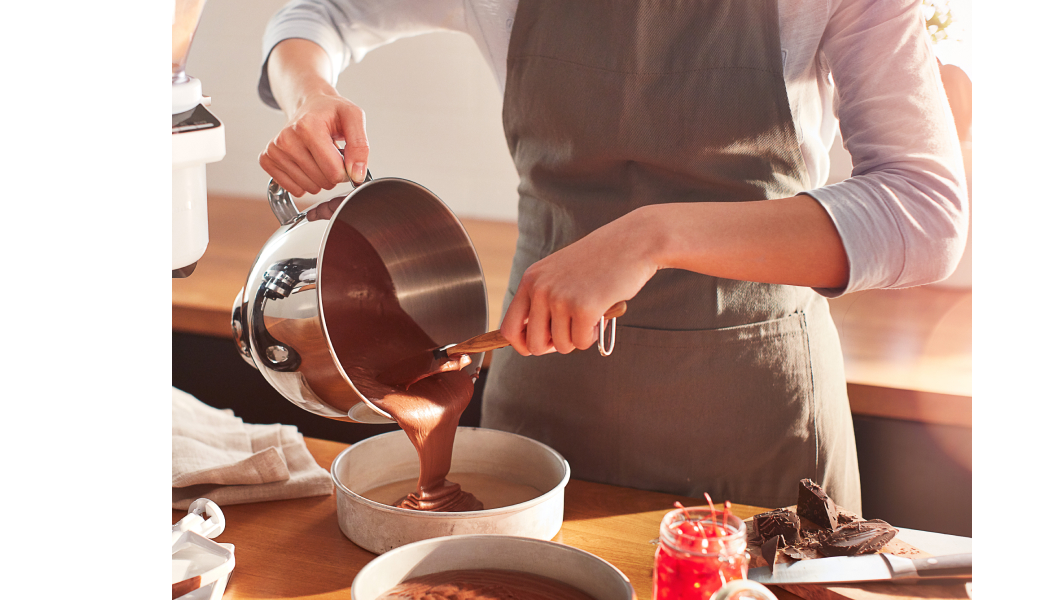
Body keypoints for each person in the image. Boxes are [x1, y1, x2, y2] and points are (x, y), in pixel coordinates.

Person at [257, 0, 966, 513]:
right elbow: (318, 16)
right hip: (547, 394)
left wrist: (650, 236)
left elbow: (925, 213)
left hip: (757, 419)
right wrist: (308, 96)